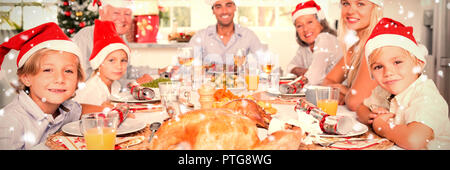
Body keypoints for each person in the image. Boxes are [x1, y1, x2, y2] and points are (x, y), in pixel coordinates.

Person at [359, 18, 450, 150]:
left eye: (397, 62)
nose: (388, 72)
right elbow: (361, 109)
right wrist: (372, 116)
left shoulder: (426, 95)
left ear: (418, 63)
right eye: (378, 67)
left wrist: (381, 126)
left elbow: (415, 140)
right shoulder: (383, 90)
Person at [0, 22, 85, 149]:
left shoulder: (70, 110)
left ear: (77, 78)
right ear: (26, 77)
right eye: (47, 70)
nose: (60, 79)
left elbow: (86, 111)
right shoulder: (10, 122)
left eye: (68, 71)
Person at [72, 0, 168, 86]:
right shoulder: (85, 37)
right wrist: (131, 84)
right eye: (116, 13)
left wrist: (158, 71)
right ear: (101, 12)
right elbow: (84, 79)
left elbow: (127, 71)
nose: (122, 19)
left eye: (127, 14)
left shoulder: (120, 37)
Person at [322, 0, 383, 111]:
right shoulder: (356, 47)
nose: (350, 11)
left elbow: (355, 102)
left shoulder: (377, 44)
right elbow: (327, 81)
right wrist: (345, 93)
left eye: (360, 4)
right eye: (346, 3)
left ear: (376, 8)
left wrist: (345, 91)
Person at [73, 19, 129, 112]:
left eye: (123, 60)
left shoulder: (115, 85)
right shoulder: (92, 91)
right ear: (98, 63)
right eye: (111, 60)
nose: (119, 66)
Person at [189, 0, 266, 66]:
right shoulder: (201, 36)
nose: (224, 11)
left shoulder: (248, 35)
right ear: (213, 11)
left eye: (228, 6)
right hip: (209, 83)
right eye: (218, 7)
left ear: (235, 8)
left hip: (239, 83)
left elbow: (263, 63)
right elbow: (186, 66)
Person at [286, 0, 343, 85]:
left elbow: (313, 80)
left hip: (338, 96)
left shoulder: (325, 39)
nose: (305, 29)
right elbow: (289, 67)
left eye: (310, 22)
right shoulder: (304, 48)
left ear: (321, 23)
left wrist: (306, 74)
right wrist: (306, 72)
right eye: (299, 26)